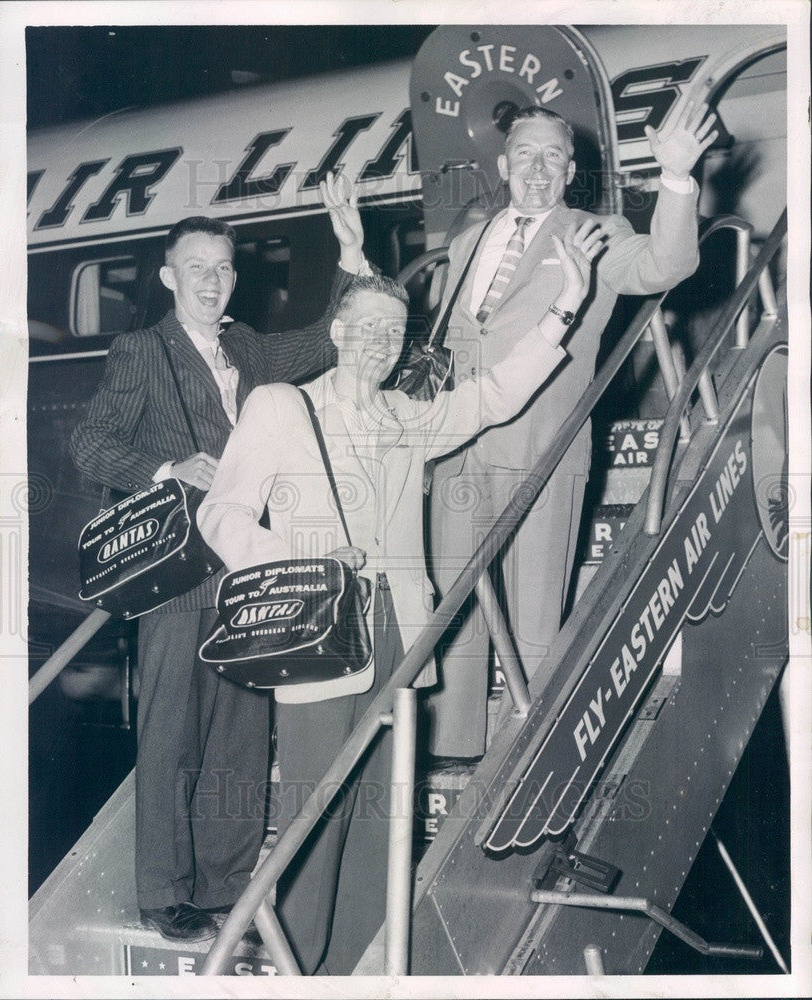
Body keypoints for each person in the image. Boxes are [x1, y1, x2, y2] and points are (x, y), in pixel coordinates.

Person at [196, 221, 603, 974]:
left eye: (395, 331)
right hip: (317, 625)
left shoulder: (405, 416)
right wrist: (293, 553)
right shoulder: (283, 406)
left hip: (400, 628)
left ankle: (360, 962)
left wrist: (561, 313)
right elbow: (218, 515)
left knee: (385, 805)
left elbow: (490, 398)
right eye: (370, 327)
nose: (383, 342)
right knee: (314, 809)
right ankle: (299, 967)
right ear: (339, 329)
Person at [69, 174, 368, 943]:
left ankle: (227, 886)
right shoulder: (142, 350)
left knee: (240, 730)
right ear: (169, 277)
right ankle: (166, 895)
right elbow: (90, 441)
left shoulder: (248, 347)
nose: (211, 280)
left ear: (235, 276)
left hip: (250, 565)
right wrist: (171, 470)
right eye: (196, 267)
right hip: (179, 571)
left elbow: (326, 336)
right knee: (172, 732)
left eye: (223, 267)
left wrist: (348, 250)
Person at [427, 96, 719, 760]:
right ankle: (451, 746)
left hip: (542, 449)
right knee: (455, 606)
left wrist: (676, 179)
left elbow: (664, 266)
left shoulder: (595, 230)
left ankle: (521, 751)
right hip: (456, 450)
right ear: (503, 163)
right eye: (524, 154)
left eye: (552, 157)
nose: (536, 169)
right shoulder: (468, 239)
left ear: (569, 172)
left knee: (533, 621)